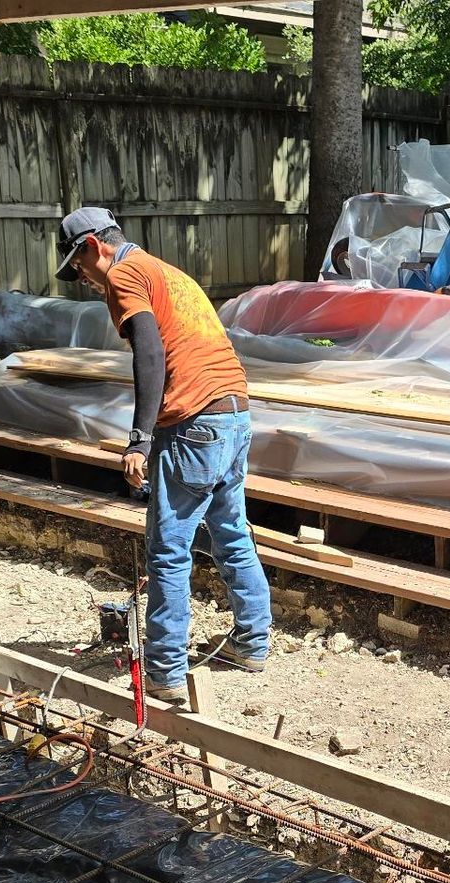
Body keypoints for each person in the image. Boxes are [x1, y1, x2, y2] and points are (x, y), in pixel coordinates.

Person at [55, 206, 270, 702]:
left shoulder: (126, 273)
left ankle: (166, 672)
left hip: (193, 421)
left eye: (80, 266)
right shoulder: (167, 272)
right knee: (231, 533)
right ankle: (252, 643)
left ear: (93, 246)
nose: (84, 278)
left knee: (168, 550)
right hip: (233, 414)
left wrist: (139, 439)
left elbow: (149, 353)